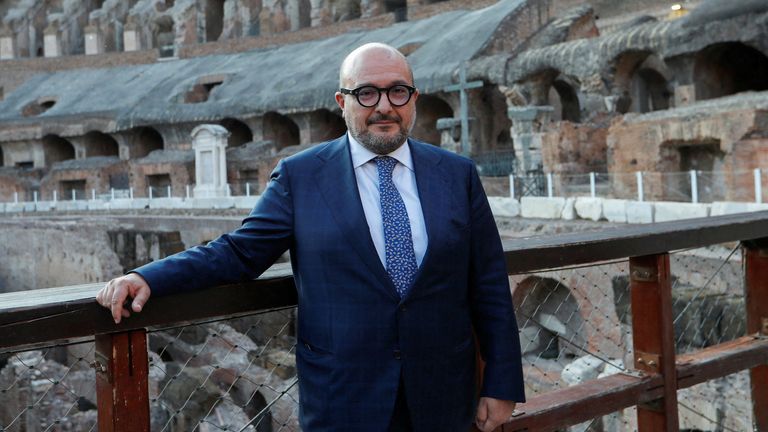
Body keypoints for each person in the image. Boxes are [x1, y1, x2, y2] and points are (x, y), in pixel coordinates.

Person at [96, 42, 525, 432]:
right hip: (344, 400)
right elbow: (240, 252)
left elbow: (488, 281)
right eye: (366, 93)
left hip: (444, 396)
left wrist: (502, 383)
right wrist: (149, 277)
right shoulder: (301, 176)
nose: (383, 106)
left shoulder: (457, 175)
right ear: (343, 102)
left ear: (413, 99)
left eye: (398, 92)